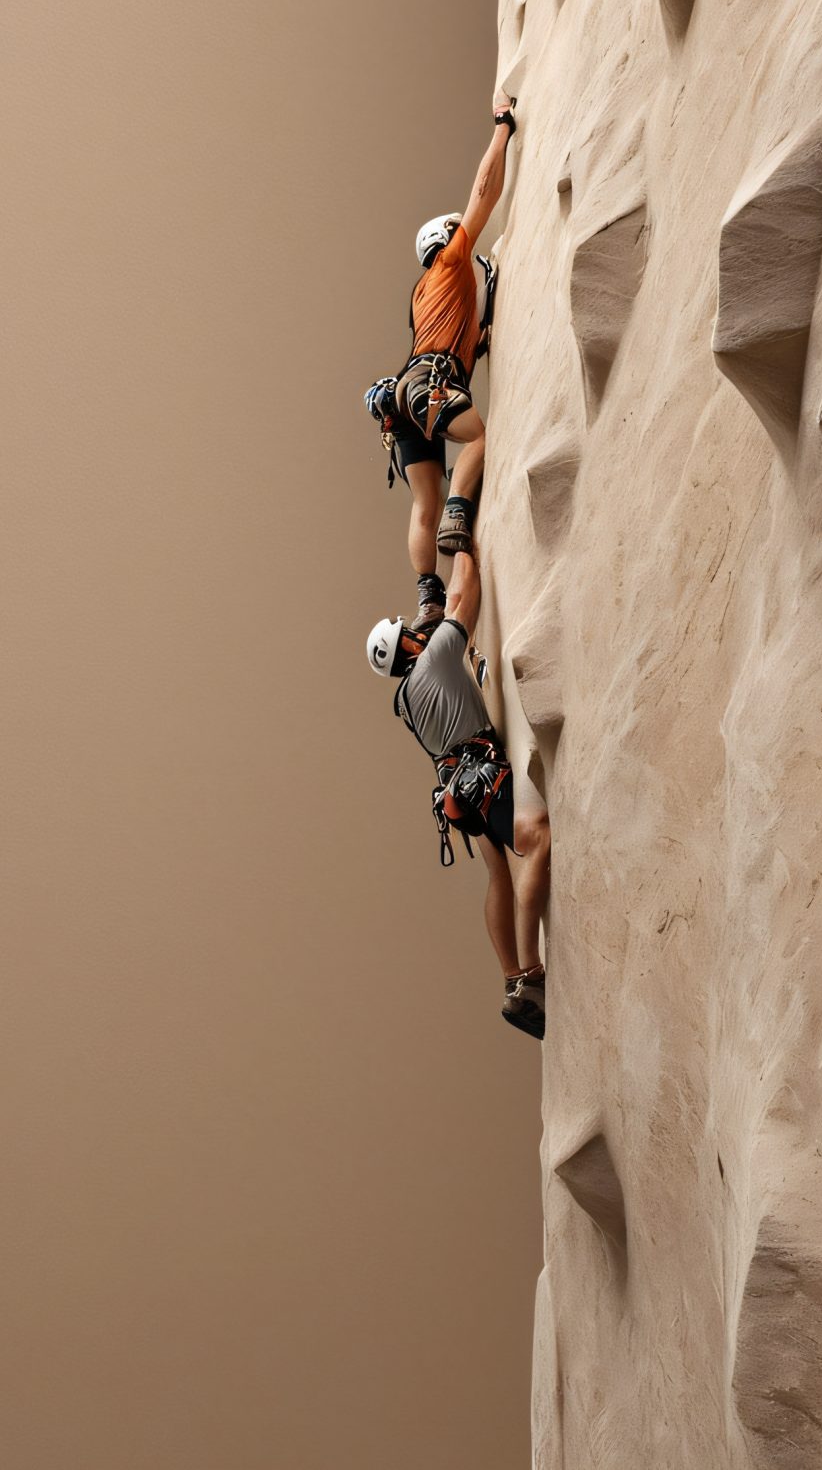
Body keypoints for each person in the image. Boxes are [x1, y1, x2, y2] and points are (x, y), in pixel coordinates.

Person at [366, 548, 549, 1039]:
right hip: (481, 775)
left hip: (460, 792)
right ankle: (531, 976)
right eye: (409, 631)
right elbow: (465, 593)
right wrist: (462, 537)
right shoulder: (433, 659)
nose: (416, 629)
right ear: (405, 647)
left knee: (498, 876)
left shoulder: (406, 701)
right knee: (537, 839)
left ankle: (510, 974)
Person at [365, 99, 516, 629]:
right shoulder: (451, 262)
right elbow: (484, 192)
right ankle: (459, 514)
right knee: (477, 438)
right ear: (445, 239)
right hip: (430, 379)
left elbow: (458, 335)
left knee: (420, 504)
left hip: (406, 392)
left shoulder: (424, 295)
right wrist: (502, 130)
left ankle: (428, 598)